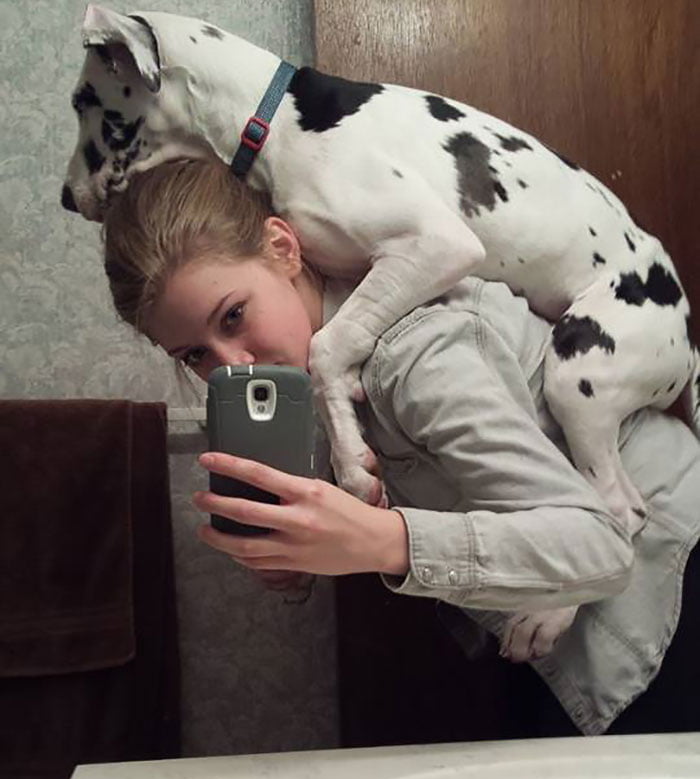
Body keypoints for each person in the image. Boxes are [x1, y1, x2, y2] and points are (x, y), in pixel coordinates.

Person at [102, 157, 700, 737]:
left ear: (283, 248)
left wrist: (385, 542)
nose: (233, 364)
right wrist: (305, 553)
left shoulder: (412, 354)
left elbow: (601, 546)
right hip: (574, 620)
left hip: (664, 586)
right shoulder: (322, 369)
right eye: (195, 354)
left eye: (233, 316)